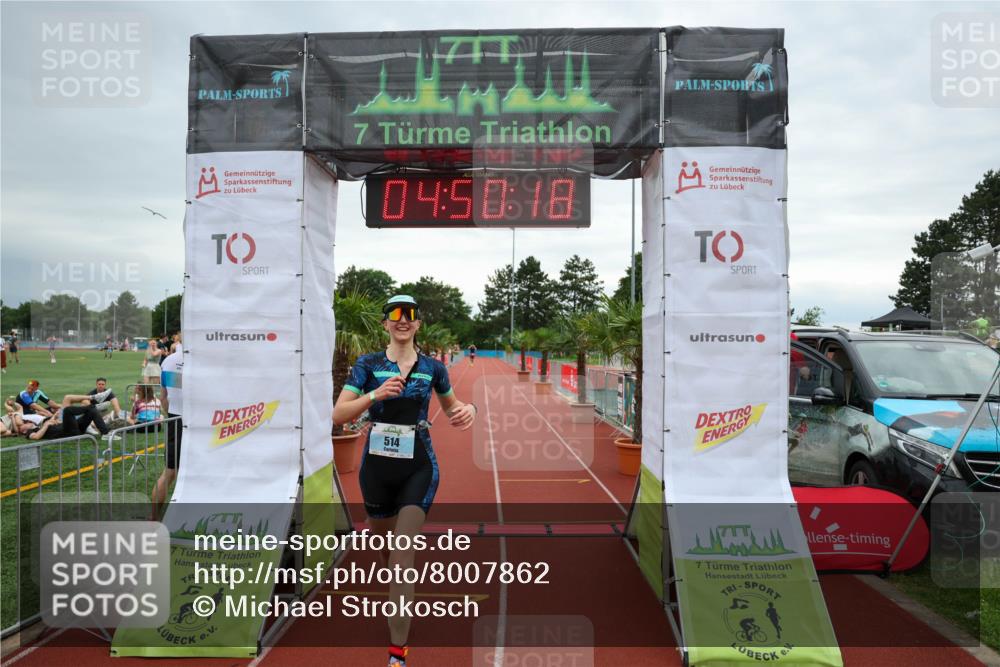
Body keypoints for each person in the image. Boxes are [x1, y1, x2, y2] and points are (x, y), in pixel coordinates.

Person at [332, 295, 476, 667]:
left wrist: (469, 410)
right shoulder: (368, 365)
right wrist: (374, 395)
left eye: (410, 314)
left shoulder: (432, 368)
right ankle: (397, 584)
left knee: (401, 554)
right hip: (376, 471)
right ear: (385, 323)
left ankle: (397, 652)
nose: (403, 320)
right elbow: (338, 414)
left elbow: (453, 406)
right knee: (385, 546)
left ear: (417, 323)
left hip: (419, 466)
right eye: (395, 314)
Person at [152, 344, 183, 520]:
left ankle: (154, 517)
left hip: (174, 418)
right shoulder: (200, 360)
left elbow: (163, 397)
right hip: (197, 420)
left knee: (169, 472)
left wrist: (170, 414)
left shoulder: (168, 361)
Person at [26, 404, 110, 440]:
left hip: (74, 428)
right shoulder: (30, 431)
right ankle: (92, 406)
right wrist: (46, 425)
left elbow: (55, 421)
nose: (27, 422)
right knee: (67, 410)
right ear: (22, 430)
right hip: (68, 433)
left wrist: (54, 418)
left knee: (92, 412)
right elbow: (36, 437)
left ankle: (105, 433)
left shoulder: (41, 423)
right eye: (25, 423)